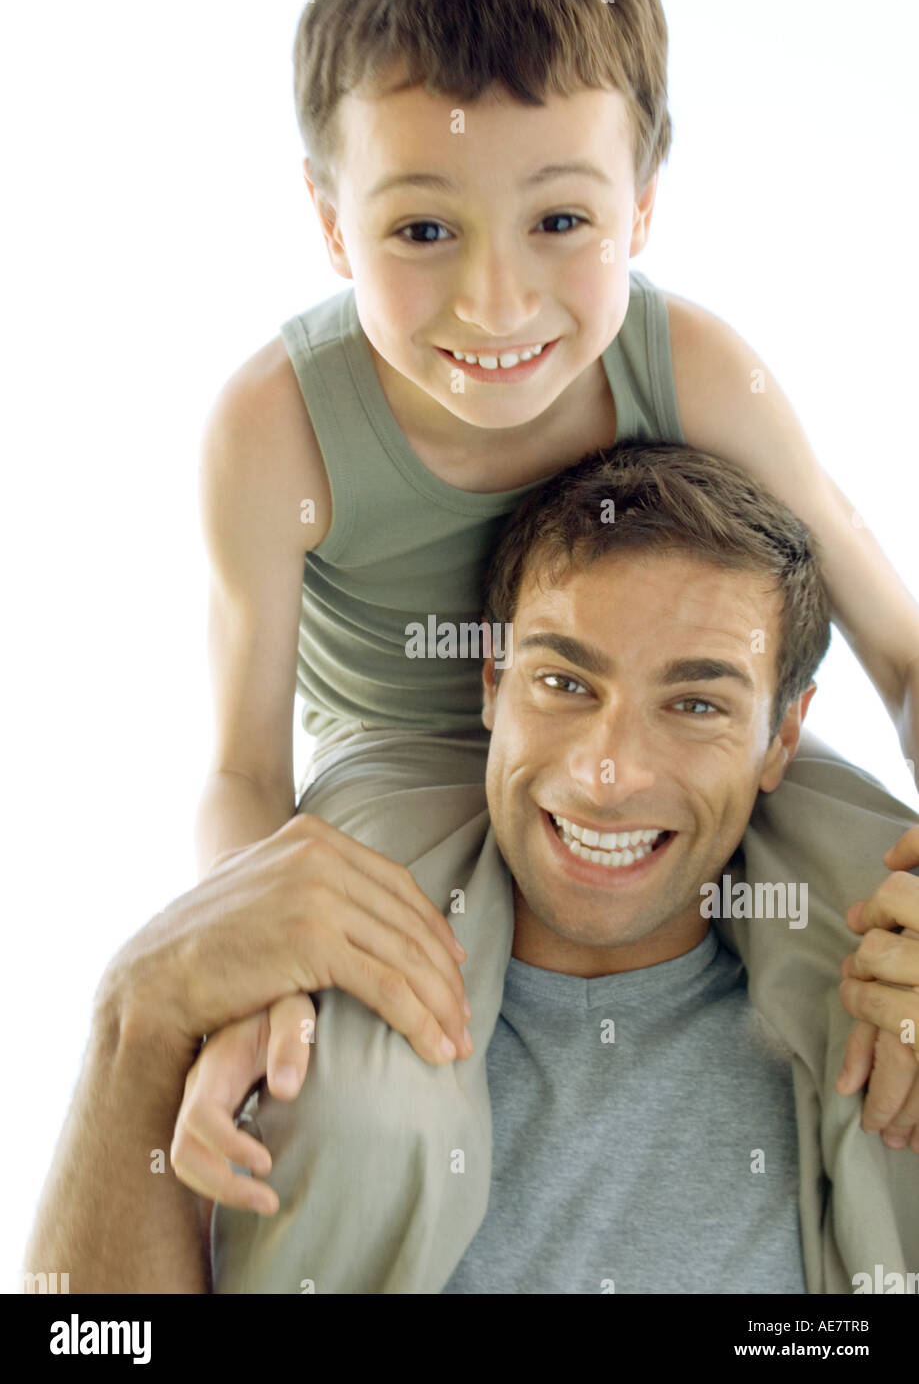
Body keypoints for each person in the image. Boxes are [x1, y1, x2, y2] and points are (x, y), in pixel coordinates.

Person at [192, 0, 919, 1152]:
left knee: (884, 955)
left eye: (562, 219)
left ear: (640, 205)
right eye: (423, 231)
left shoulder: (698, 368)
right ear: (330, 220)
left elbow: (897, 645)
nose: (497, 304)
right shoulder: (272, 429)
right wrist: (246, 959)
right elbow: (239, 769)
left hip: (672, 732)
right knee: (356, 1089)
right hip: (406, 761)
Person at [24, 443, 917, 1294]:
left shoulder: (872, 1045)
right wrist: (133, 1022)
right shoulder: (275, 1032)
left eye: (694, 703)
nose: (608, 776)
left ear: (781, 739)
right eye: (564, 684)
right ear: (491, 679)